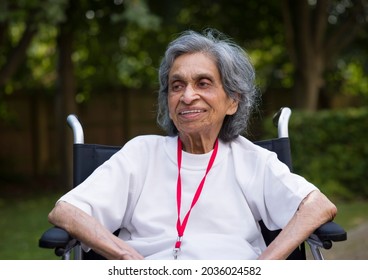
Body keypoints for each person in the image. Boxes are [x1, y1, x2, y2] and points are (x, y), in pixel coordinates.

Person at [48, 29, 337, 260]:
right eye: (177, 86)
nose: (187, 96)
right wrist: (125, 255)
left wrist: (264, 265)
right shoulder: (141, 154)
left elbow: (317, 206)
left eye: (203, 83)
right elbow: (65, 211)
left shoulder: (252, 160)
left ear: (232, 101)